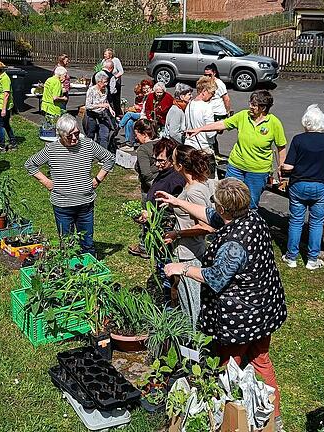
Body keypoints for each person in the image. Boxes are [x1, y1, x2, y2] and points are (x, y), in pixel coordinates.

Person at [159, 178, 286, 431]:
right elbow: (210, 215)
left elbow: (215, 277)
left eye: (215, 203)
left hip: (240, 315)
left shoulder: (233, 244)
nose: (212, 206)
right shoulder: (251, 217)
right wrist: (176, 201)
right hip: (264, 307)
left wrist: (180, 268)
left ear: (224, 209)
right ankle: (274, 415)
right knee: (261, 359)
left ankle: (224, 418)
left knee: (229, 368)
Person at [24, 114, 116, 255]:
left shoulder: (88, 145)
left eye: (77, 134)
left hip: (85, 203)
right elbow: (30, 164)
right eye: (69, 136)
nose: (74, 138)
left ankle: (89, 268)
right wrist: (47, 182)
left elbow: (109, 158)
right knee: (67, 243)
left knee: (87, 241)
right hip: (63, 205)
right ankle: (70, 268)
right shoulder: (51, 150)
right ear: (60, 135)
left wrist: (98, 179)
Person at [186, 90, 287, 209]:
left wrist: (282, 169)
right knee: (228, 198)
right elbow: (223, 124)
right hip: (236, 167)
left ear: (263, 107)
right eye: (250, 102)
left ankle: (247, 225)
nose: (250, 106)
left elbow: (281, 147)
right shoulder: (243, 115)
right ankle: (228, 224)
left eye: (254, 104)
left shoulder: (274, 123)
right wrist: (200, 129)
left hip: (258, 171)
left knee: (251, 202)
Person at [280, 104, 324, 270]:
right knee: (316, 222)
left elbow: (288, 167)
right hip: (321, 186)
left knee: (296, 221)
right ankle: (312, 259)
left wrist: (281, 168)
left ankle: (291, 257)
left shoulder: (298, 139)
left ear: (305, 122)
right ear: (323, 123)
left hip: (298, 185)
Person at [162, 145, 216, 322]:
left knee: (192, 305)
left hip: (190, 254)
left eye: (173, 158)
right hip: (189, 251)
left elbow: (208, 227)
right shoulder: (198, 182)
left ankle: (195, 344)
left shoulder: (194, 191)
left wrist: (177, 234)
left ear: (180, 165)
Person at [128, 138, 186, 259]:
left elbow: (175, 211)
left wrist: (152, 215)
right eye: (155, 160)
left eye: (161, 161)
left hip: (167, 237)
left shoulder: (176, 180)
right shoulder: (165, 172)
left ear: (172, 159)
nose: (157, 164)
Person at [184, 77, 217, 177]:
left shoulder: (189, 104)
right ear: (204, 91)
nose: (213, 95)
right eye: (212, 93)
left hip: (189, 147)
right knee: (209, 181)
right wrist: (217, 127)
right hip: (203, 148)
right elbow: (210, 133)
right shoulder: (207, 107)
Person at [203, 64, 232, 156]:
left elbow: (226, 98)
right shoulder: (205, 83)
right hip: (209, 112)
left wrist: (227, 112)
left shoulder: (219, 84)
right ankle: (215, 153)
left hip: (218, 113)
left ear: (214, 73)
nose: (207, 77)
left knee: (212, 134)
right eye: (205, 75)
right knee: (210, 135)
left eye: (209, 75)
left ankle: (215, 154)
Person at [84, 71, 115, 149]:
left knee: (104, 134)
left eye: (107, 82)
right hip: (91, 115)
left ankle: (103, 154)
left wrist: (110, 109)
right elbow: (88, 106)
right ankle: (88, 152)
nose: (106, 84)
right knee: (91, 134)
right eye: (104, 82)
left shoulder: (105, 89)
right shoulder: (91, 90)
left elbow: (105, 101)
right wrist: (101, 105)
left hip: (102, 114)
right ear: (98, 82)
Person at [133, 119, 161, 202]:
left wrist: (156, 188)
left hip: (149, 189)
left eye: (137, 134)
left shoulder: (143, 149)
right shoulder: (162, 143)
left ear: (144, 134)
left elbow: (146, 173)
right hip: (165, 183)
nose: (136, 137)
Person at [119, 79, 153, 146]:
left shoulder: (150, 96)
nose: (145, 90)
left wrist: (138, 108)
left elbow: (146, 110)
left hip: (144, 116)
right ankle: (129, 142)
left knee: (128, 114)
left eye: (147, 88)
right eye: (144, 89)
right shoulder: (144, 97)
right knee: (129, 122)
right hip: (141, 114)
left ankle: (119, 126)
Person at [103, 48, 124, 116]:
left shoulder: (116, 60)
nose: (104, 55)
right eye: (104, 54)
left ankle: (117, 113)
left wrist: (114, 77)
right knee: (108, 97)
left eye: (106, 54)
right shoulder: (103, 61)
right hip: (107, 82)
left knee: (116, 98)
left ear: (110, 54)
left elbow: (121, 71)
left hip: (116, 81)